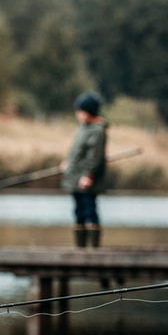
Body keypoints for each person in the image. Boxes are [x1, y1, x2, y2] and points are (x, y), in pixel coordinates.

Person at [63, 92, 108, 248]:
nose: (78, 114)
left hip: (87, 180)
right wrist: (68, 163)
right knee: (78, 212)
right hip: (75, 178)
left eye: (80, 111)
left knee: (90, 211)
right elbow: (77, 152)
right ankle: (80, 249)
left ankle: (94, 250)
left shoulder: (97, 131)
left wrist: (88, 175)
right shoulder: (83, 129)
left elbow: (94, 156)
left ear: (89, 112)